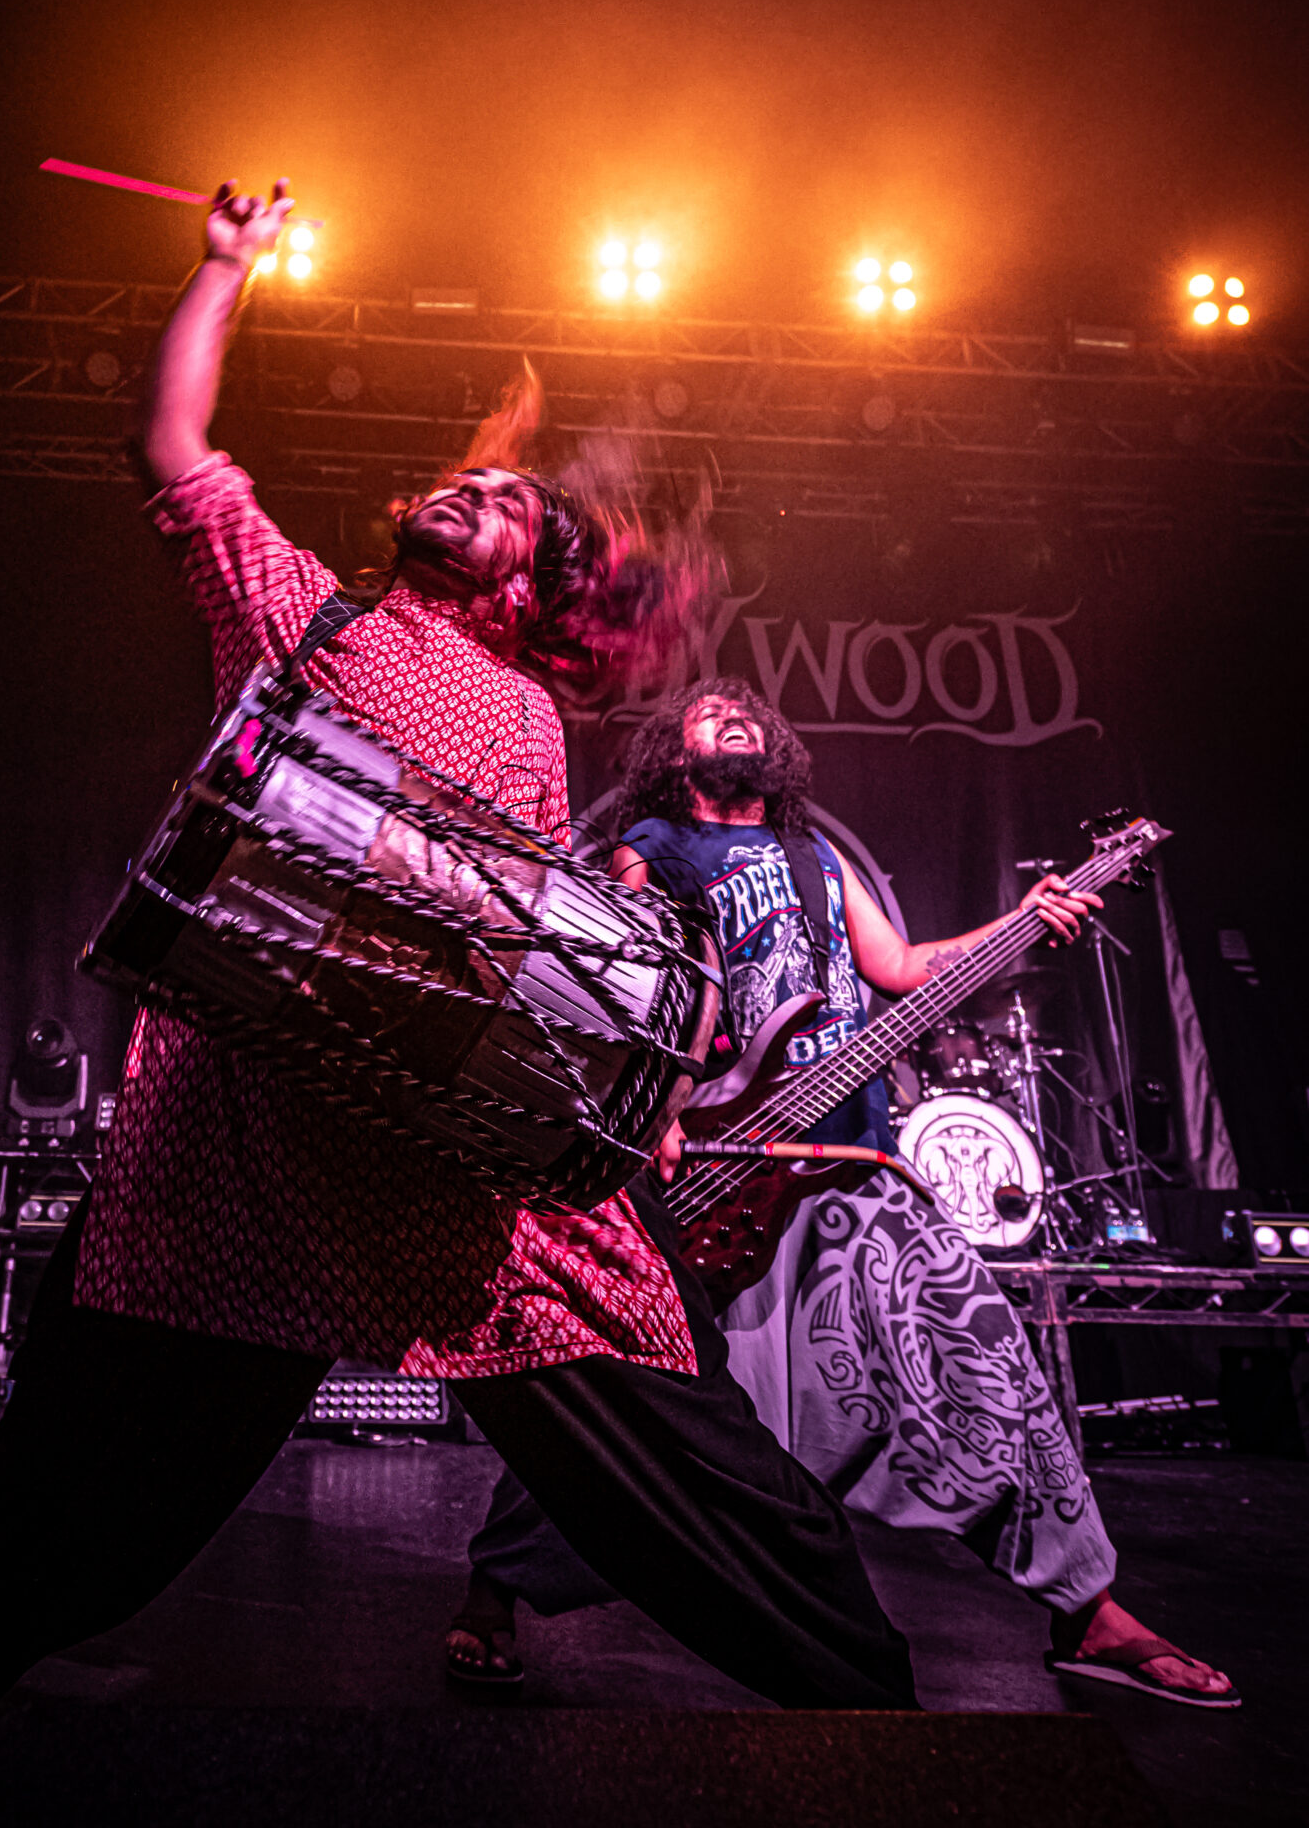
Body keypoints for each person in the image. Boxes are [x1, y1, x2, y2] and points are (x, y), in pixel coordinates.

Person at [0, 182, 917, 1710]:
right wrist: (223, 270)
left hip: (462, 1176)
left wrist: (618, 1084)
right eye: (461, 478)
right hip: (254, 1136)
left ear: (529, 588)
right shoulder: (301, 622)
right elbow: (176, 452)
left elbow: (531, 946)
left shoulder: (526, 718)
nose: (466, 489)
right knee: (89, 1458)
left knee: (685, 1454)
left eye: (501, 500)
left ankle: (874, 1711)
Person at [445, 679, 1239, 1709]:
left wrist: (1020, 923)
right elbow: (635, 982)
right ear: (674, 753)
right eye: (706, 710)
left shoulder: (815, 853)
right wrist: (653, 1101)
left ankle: (1088, 1611)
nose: (731, 712)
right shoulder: (652, 845)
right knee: (650, 1401)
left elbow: (899, 968)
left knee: (978, 1357)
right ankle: (497, 1588)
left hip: (851, 1167)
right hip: (722, 1168)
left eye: (745, 709)